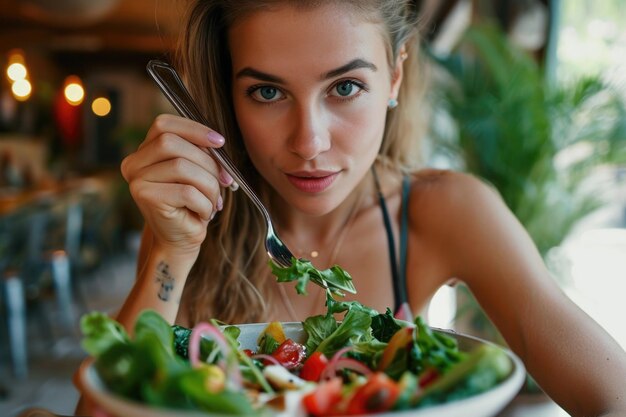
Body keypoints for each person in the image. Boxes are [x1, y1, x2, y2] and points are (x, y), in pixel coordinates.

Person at [77, 1, 626, 416]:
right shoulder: (195, 213)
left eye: (344, 86)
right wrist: (171, 251)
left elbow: (613, 395)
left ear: (394, 77)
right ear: (230, 92)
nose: (309, 142)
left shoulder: (447, 211)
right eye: (267, 93)